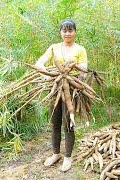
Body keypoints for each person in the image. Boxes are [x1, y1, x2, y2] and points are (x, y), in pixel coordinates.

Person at [35, 19, 88, 171]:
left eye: (70, 30)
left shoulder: (80, 49)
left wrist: (71, 67)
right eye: (64, 30)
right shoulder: (54, 47)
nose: (67, 33)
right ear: (60, 32)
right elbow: (40, 63)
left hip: (71, 91)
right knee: (55, 123)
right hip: (55, 90)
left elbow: (84, 69)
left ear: (75, 32)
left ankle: (68, 157)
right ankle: (56, 154)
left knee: (68, 124)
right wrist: (48, 75)